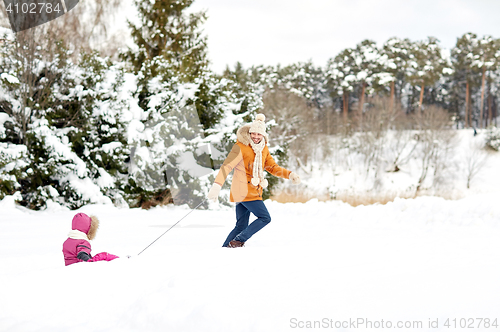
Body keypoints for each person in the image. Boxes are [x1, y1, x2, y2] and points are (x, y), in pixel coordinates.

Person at [207, 114, 301, 248]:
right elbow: (227, 166)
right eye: (253, 133)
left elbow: (272, 167)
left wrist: (290, 174)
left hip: (253, 190)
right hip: (244, 191)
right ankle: (239, 241)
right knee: (265, 218)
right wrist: (217, 186)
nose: (256, 137)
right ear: (249, 133)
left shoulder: (263, 149)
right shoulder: (240, 147)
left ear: (263, 135)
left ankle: (226, 248)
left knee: (241, 225)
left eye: (259, 134)